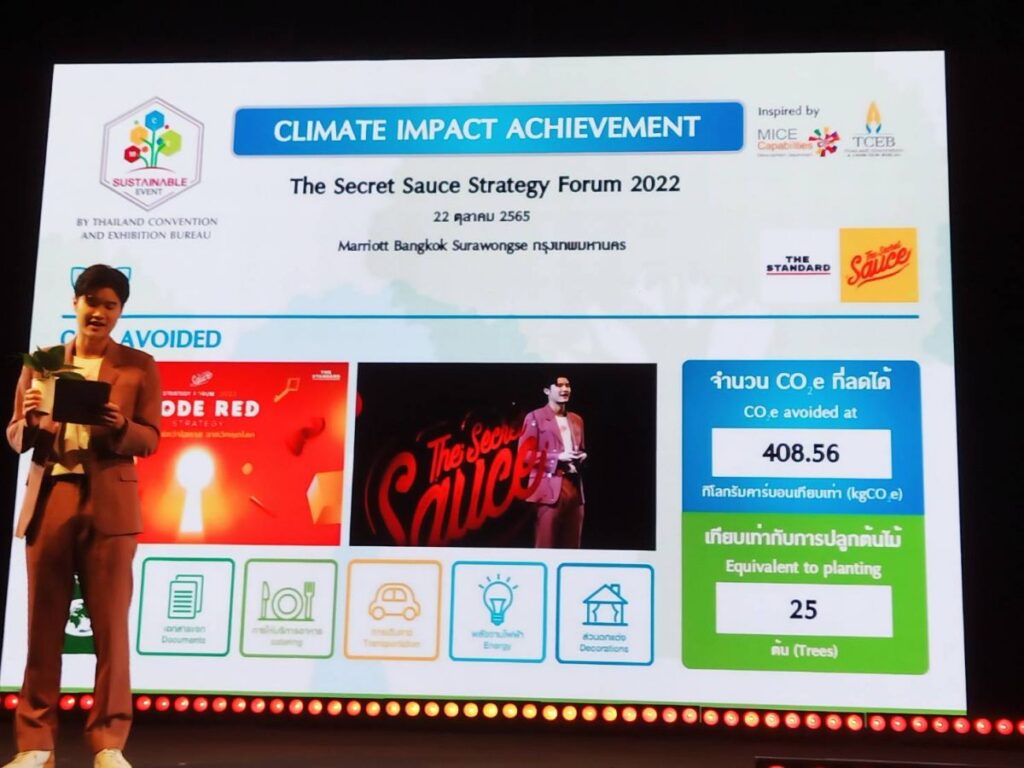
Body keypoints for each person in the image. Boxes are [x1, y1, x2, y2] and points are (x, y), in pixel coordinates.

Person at [5, 265, 160, 768]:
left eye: (110, 305)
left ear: (120, 312)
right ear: (75, 303)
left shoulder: (138, 366)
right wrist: (33, 417)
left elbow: (151, 438)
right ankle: (36, 743)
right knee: (42, 628)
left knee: (110, 629)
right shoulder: (43, 362)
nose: (99, 313)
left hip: (110, 503)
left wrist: (120, 426)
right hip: (52, 496)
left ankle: (108, 743)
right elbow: (16, 436)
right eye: (92, 302)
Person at [518, 374, 586, 548]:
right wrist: (557, 458)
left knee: (572, 546)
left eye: (567, 385)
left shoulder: (576, 419)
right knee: (546, 545)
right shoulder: (535, 417)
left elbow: (580, 449)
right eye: (559, 385)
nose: (565, 389)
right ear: (547, 390)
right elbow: (524, 455)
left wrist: (582, 457)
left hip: (574, 487)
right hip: (548, 487)